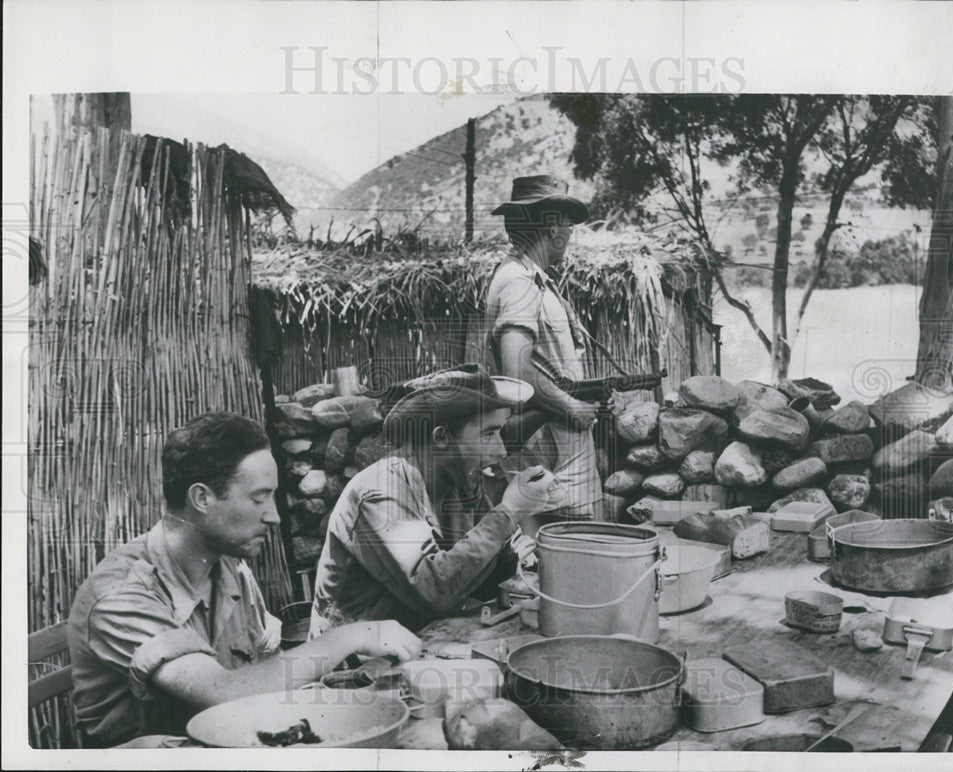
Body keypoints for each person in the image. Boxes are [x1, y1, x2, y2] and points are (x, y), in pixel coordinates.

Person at [68, 412, 421, 748]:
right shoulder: (122, 595)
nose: (275, 517)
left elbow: (268, 672)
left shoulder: (230, 571)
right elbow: (223, 692)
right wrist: (351, 635)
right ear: (202, 498)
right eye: (259, 498)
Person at [309, 365, 560, 635]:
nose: (500, 449)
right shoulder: (380, 493)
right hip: (354, 667)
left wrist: (514, 549)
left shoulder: (461, 481)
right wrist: (509, 511)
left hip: (420, 642)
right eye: (488, 433)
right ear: (441, 438)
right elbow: (435, 588)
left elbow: (480, 577)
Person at [484, 174, 604, 524]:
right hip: (551, 457)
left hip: (556, 454)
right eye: (567, 224)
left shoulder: (531, 279)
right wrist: (570, 407)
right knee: (568, 560)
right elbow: (517, 368)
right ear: (552, 226)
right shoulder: (519, 281)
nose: (569, 233)